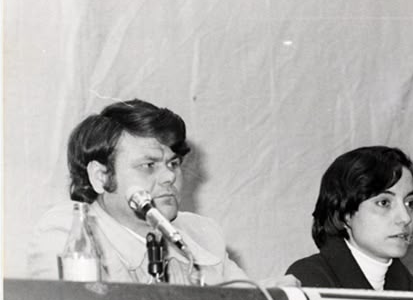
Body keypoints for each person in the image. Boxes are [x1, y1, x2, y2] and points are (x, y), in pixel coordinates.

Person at [28, 98, 296, 287]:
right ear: (101, 176)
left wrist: (279, 296)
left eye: (173, 163)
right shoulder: (69, 233)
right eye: (148, 165)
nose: (170, 176)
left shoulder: (200, 234)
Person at [286, 146, 413, 291]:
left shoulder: (411, 289)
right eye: (384, 203)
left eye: (409, 203)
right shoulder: (307, 279)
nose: (405, 218)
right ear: (345, 212)